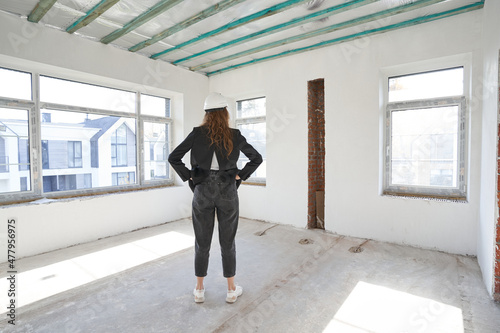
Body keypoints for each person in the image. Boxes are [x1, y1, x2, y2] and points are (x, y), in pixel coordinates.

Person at [168, 92, 262, 304]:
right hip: (227, 190)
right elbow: (257, 158)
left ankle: (199, 289)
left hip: (202, 191)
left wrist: (190, 175)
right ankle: (230, 290)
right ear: (225, 113)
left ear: (207, 114)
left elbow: (173, 157)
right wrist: (239, 175)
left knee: (202, 242)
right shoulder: (234, 135)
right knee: (228, 242)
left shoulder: (197, 134)